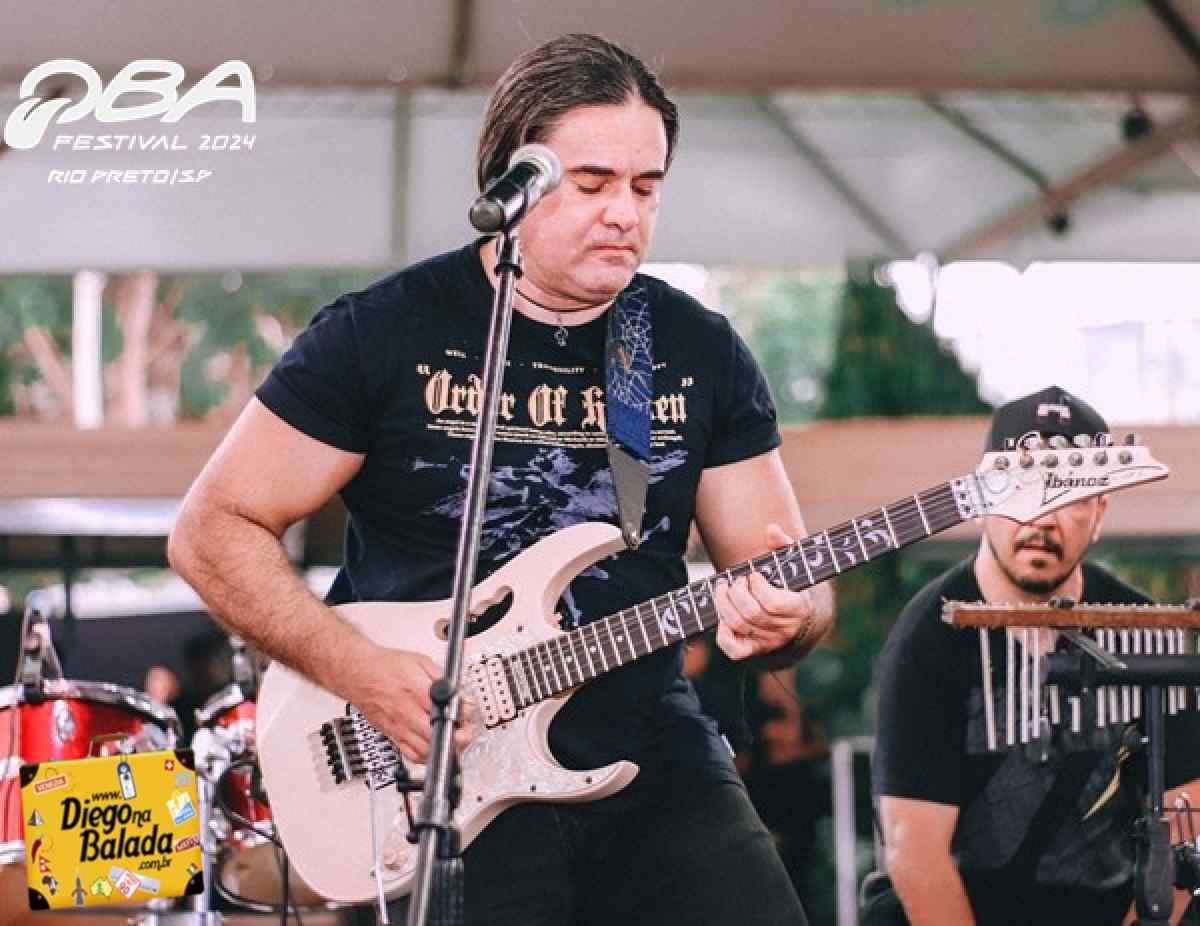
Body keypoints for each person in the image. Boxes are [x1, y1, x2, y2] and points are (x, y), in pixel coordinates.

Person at [168, 33, 833, 925]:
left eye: (646, 187)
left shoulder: (695, 350)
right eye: (592, 183)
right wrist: (360, 671)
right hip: (439, 767)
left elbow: (787, 578)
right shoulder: (383, 333)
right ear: (512, 182)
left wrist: (792, 615)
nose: (624, 213)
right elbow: (211, 529)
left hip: (649, 750)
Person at [864, 386, 1200, 926]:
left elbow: (1187, 824)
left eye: (1069, 497)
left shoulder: (1146, 632)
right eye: (1022, 488)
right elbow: (916, 854)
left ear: (1100, 512)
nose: (1042, 519)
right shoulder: (928, 636)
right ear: (982, 498)